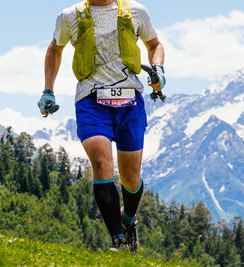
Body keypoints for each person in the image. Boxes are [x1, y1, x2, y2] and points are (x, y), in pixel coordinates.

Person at [38, 0, 165, 252]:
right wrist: (48, 90)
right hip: (91, 100)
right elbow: (55, 49)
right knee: (100, 162)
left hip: (130, 102)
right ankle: (118, 240)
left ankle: (129, 219)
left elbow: (155, 45)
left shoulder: (136, 11)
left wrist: (159, 68)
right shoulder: (69, 16)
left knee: (131, 177)